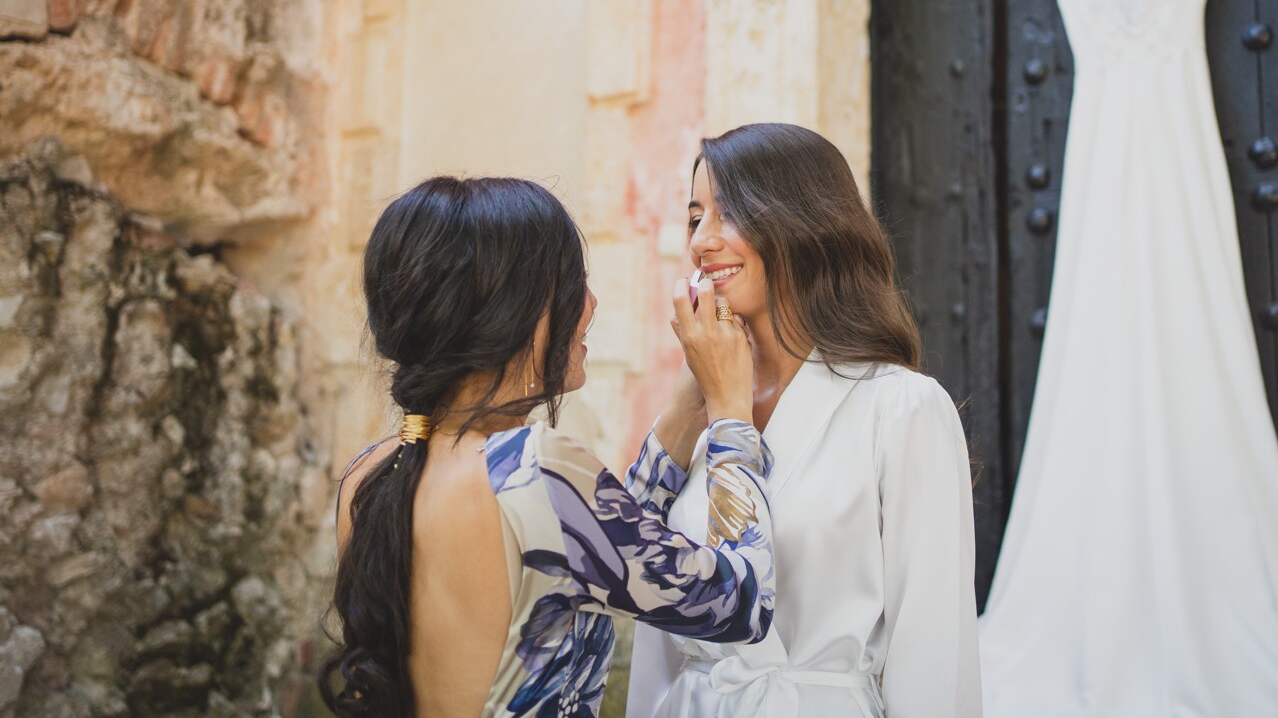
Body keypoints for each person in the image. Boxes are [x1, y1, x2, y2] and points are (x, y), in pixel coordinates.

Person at [318, 176, 774, 718]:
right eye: (572, 282)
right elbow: (741, 603)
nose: (591, 303)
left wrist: (684, 414)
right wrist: (729, 412)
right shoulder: (533, 470)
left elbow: (606, 546)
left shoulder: (369, 476)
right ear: (514, 310)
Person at [627, 123, 984, 717]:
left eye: (729, 213)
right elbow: (648, 621)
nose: (701, 242)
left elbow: (935, 657)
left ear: (802, 223)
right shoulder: (695, 417)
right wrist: (702, 398)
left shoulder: (900, 409)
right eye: (694, 219)